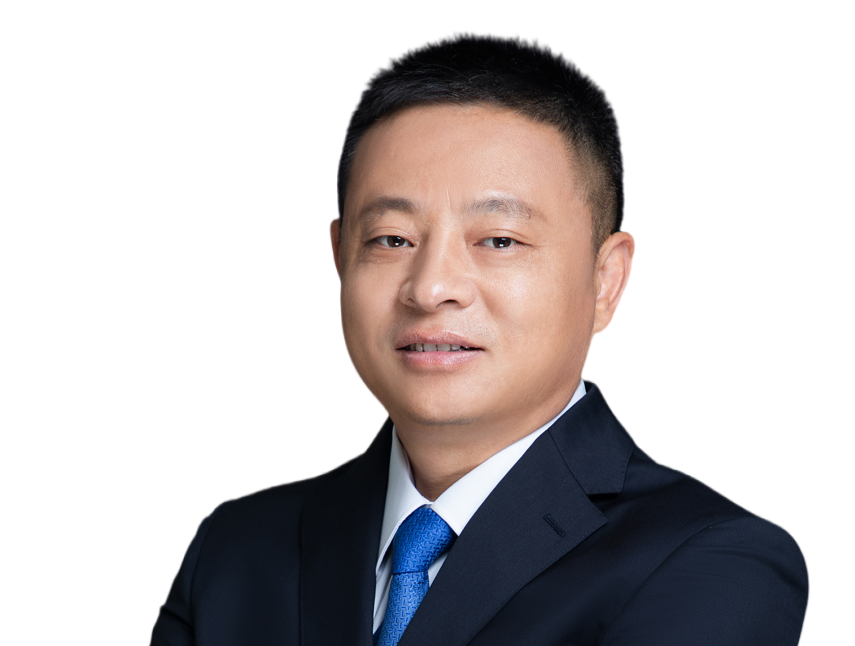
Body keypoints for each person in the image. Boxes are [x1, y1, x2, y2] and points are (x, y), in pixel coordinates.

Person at [153, 33, 809, 645]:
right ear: (338, 259)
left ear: (606, 281)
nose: (431, 287)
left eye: (498, 240)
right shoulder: (235, 550)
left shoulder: (714, 558)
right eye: (391, 239)